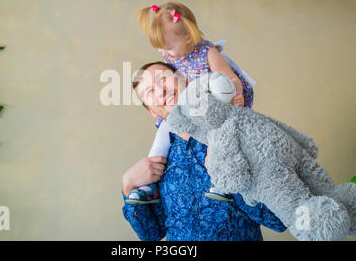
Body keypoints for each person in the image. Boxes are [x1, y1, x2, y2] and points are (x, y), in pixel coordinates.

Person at [121, 62, 286, 240]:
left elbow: (279, 220)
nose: (161, 91)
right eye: (149, 92)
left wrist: (230, 177)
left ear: (184, 79)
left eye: (162, 79)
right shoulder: (159, 162)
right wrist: (127, 186)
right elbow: (151, 234)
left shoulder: (239, 135)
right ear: (151, 112)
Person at [126, 2, 255, 204]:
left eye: (167, 48)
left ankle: (221, 180)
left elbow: (229, 77)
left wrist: (236, 94)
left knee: (218, 137)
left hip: (215, 106)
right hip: (188, 111)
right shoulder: (175, 61)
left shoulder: (208, 53)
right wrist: (128, 184)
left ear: (187, 37)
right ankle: (147, 187)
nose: (163, 54)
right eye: (159, 50)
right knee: (162, 132)